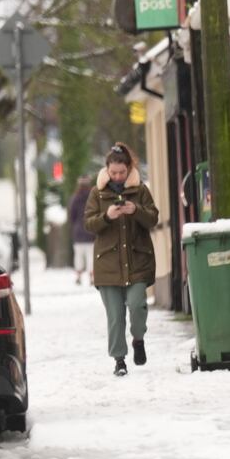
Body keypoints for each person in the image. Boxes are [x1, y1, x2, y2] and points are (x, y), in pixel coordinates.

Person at [84, 142, 158, 376]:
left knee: (137, 306)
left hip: (137, 261)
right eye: (113, 173)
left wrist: (135, 210)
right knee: (115, 317)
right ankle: (119, 360)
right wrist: (107, 216)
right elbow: (89, 224)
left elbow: (153, 219)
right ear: (107, 170)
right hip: (108, 265)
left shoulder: (140, 191)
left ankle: (138, 339)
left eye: (121, 172)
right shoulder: (97, 193)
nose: (117, 177)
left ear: (128, 169)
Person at [68, 176, 95, 285]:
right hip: (91, 231)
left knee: (78, 255)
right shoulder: (92, 197)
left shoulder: (75, 198)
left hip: (78, 232)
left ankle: (78, 276)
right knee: (91, 256)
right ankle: (92, 277)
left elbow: (72, 216)